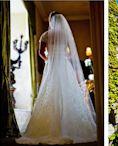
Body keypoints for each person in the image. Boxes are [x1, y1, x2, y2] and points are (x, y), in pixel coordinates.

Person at [16, 12, 96, 144]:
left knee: (51, 91)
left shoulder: (46, 35)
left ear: (51, 21)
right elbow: (70, 53)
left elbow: (41, 52)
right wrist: (63, 58)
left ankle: (51, 126)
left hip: (53, 65)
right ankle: (71, 126)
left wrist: (49, 59)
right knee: (68, 92)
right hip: (64, 65)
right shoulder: (65, 35)